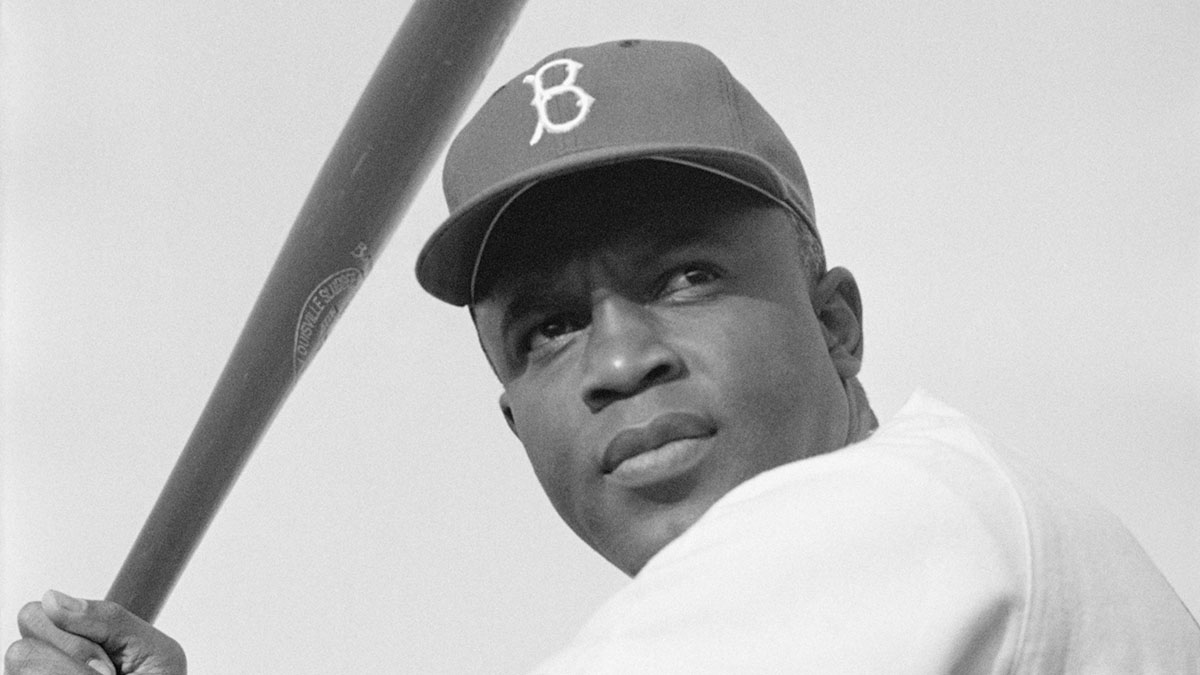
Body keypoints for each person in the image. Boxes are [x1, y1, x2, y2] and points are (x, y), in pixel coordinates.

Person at [7, 39, 1198, 674]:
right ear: (517, 426)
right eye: (549, 327)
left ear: (836, 324)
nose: (620, 360)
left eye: (686, 276)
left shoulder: (900, 515)